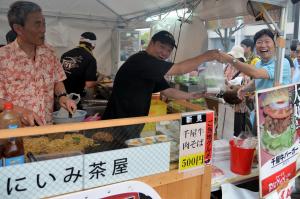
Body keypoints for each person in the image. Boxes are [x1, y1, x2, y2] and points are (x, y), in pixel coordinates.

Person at [102, 30, 218, 140]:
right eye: (162, 47)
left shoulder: (150, 66)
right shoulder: (142, 60)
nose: (164, 53)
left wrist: (191, 96)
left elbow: (167, 90)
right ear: (151, 43)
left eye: (169, 50)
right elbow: (180, 69)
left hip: (132, 122)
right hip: (118, 122)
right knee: (115, 155)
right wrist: (206, 56)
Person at [0, 1, 76, 126]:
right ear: (18, 28)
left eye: (44, 24)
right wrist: (21, 111)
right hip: (16, 133)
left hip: (46, 127)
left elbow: (57, 80)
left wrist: (62, 96)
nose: (43, 30)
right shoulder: (3, 58)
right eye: (37, 25)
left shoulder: (49, 52)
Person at [223, 46, 251, 137]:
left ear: (240, 58)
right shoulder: (228, 66)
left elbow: (247, 86)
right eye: (231, 56)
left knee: (237, 132)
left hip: (238, 105)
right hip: (227, 102)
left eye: (234, 56)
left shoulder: (245, 68)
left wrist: (233, 85)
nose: (232, 58)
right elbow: (223, 77)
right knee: (226, 130)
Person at [61, 32, 98, 98]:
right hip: (75, 97)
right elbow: (89, 84)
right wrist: (99, 81)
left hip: (60, 94)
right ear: (93, 44)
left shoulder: (65, 54)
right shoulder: (90, 59)